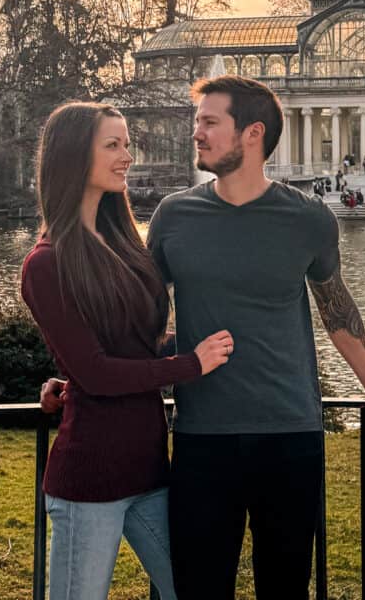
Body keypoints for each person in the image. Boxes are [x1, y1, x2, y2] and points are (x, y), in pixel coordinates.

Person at [148, 76, 365, 598]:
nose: (195, 133)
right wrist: (81, 377)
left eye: (208, 122)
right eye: (196, 121)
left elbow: (337, 309)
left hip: (291, 436)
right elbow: (142, 316)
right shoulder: (173, 216)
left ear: (252, 133)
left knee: (286, 588)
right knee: (198, 587)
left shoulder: (309, 218)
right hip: (202, 437)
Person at [24, 101, 233, 600]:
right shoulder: (46, 263)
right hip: (89, 483)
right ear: (75, 157)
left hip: (149, 473)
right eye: (112, 145)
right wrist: (190, 364)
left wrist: (209, 340)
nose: (127, 156)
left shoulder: (121, 244)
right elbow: (96, 372)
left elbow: (130, 348)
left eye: (126, 144)